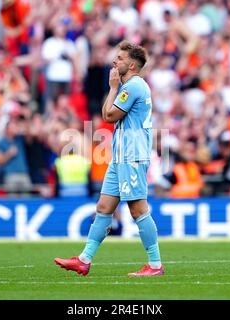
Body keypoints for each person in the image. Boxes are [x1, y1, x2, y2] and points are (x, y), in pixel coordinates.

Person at [55, 41, 164, 276]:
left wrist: (113, 87)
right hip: (120, 156)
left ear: (132, 65)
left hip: (132, 155)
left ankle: (155, 265)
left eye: (120, 59)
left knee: (138, 210)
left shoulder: (134, 86)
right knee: (104, 207)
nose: (115, 62)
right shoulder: (131, 85)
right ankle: (84, 259)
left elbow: (108, 115)